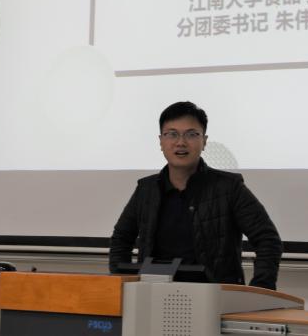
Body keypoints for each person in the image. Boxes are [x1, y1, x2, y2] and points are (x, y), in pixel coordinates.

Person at [109, 101, 282, 289]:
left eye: (191, 134)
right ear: (160, 141)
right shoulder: (146, 189)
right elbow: (121, 239)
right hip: (151, 293)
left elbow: (267, 240)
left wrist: (259, 291)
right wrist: (122, 286)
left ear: (204, 141)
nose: (180, 142)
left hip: (213, 296)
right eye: (171, 134)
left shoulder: (229, 187)